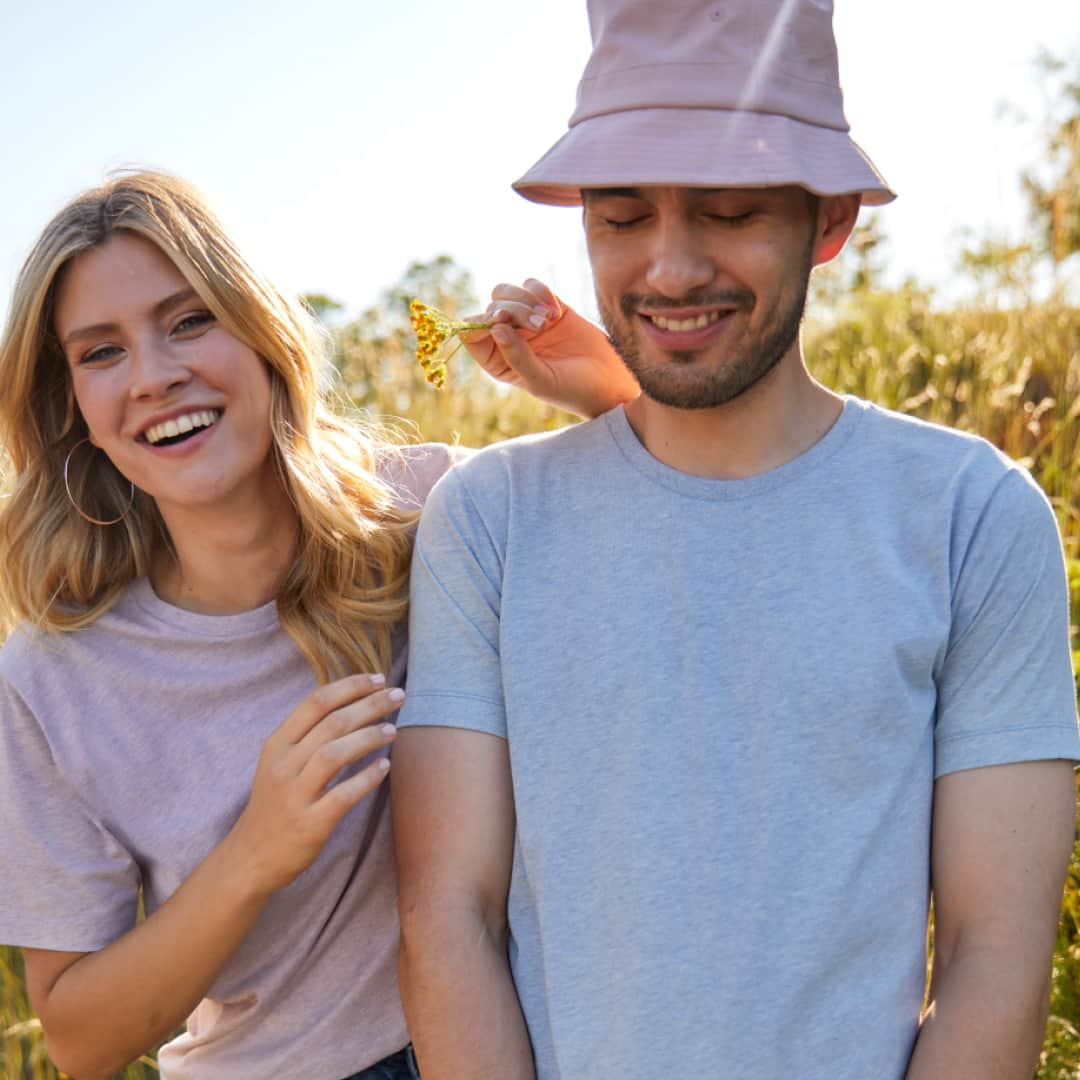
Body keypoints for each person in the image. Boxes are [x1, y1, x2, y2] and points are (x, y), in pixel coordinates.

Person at [391, 2, 1080, 1077]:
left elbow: (996, 952)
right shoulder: (489, 520)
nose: (668, 270)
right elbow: (448, 915)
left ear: (832, 217)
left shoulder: (972, 515)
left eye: (727, 211)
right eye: (621, 218)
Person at [0, 170, 634, 1079]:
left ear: (263, 335)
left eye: (189, 320)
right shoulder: (51, 680)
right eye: (100, 353)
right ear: (73, 410)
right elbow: (78, 1038)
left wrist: (607, 398)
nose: (154, 376)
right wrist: (255, 853)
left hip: (533, 1032)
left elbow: (682, 563)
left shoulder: (434, 511)